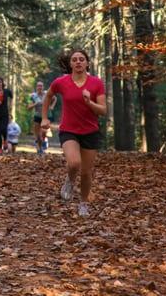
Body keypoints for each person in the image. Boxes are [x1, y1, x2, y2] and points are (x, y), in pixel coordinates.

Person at [41, 49, 107, 218]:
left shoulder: (96, 83)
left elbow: (103, 110)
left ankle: (83, 203)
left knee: (86, 173)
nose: (78, 62)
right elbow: (48, 96)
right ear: (70, 64)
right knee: (74, 163)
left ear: (87, 63)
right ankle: (69, 182)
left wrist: (89, 102)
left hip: (90, 131)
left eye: (81, 59)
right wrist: (44, 118)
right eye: (75, 59)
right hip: (68, 129)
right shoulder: (61, 82)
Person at [28, 81, 56, 155]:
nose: (40, 87)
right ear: (36, 87)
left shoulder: (47, 93)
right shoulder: (33, 96)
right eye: (38, 86)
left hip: (46, 116)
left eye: (41, 86)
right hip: (37, 116)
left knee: (44, 132)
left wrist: (52, 106)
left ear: (43, 87)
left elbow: (54, 98)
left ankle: (43, 142)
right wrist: (35, 104)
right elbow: (29, 107)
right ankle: (40, 148)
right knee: (38, 136)